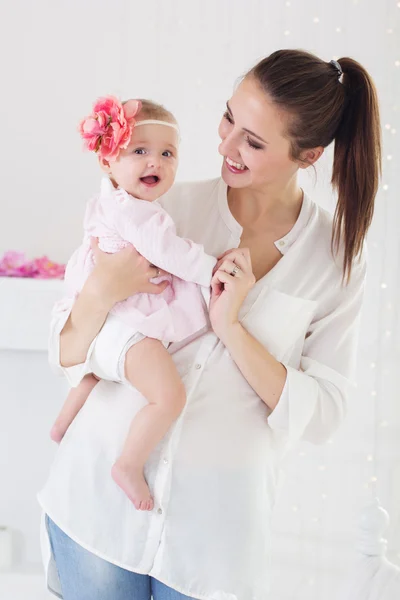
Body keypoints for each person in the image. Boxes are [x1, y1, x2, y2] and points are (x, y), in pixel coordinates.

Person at [38, 50, 381, 600]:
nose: (225, 145)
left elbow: (323, 415)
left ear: (308, 154)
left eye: (254, 140)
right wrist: (102, 291)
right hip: (97, 506)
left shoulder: (336, 261)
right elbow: (66, 347)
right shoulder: (159, 206)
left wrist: (233, 330)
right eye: (228, 119)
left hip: (212, 542)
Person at [49, 96, 216, 511]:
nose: (154, 162)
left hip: (108, 317)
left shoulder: (109, 201)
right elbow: (173, 253)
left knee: (93, 370)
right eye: (139, 151)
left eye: (167, 154)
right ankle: (128, 463)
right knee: (169, 397)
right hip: (125, 319)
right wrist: (214, 270)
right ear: (107, 161)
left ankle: (62, 422)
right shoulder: (140, 216)